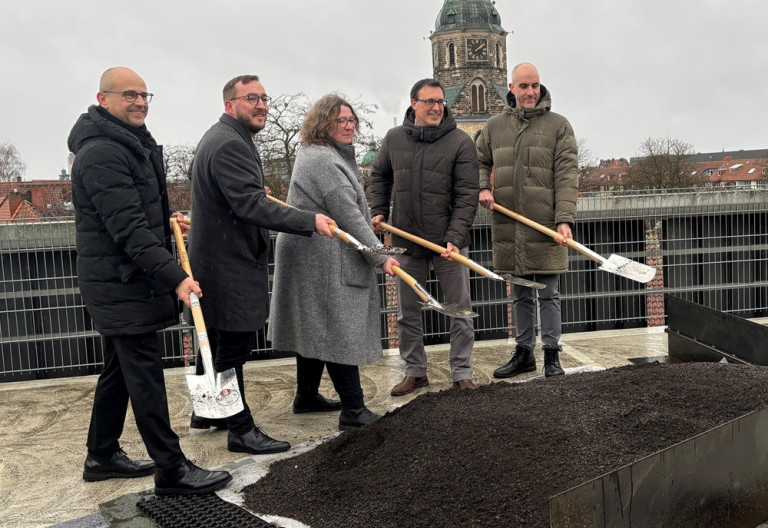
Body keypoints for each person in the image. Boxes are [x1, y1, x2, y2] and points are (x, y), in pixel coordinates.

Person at [68, 66, 231, 495]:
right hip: (120, 282)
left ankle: (101, 455)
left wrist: (166, 220)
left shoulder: (126, 143)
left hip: (126, 277)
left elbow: (135, 215)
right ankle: (172, 468)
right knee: (144, 375)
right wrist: (177, 276)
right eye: (129, 95)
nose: (139, 101)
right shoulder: (102, 152)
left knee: (119, 371)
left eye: (144, 94)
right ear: (103, 99)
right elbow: (127, 230)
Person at [187, 75, 336, 454]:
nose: (262, 105)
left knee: (218, 339)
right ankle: (240, 428)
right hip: (229, 264)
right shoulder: (230, 144)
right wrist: (309, 220)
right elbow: (249, 207)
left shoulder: (221, 138)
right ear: (229, 104)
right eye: (251, 98)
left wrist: (253, 191)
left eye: (264, 98)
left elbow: (235, 194)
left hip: (214, 259)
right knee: (233, 348)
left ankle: (207, 411)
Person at [269, 94, 399, 430]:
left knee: (312, 325)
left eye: (351, 120)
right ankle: (354, 410)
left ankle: (306, 396)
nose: (348, 126)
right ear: (322, 124)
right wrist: (379, 257)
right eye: (339, 120)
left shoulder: (323, 155)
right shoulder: (324, 161)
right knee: (335, 325)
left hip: (311, 253)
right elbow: (349, 214)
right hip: (319, 257)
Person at [370, 78, 479, 396]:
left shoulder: (460, 142)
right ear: (414, 103)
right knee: (407, 313)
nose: (436, 107)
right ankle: (415, 372)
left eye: (440, 102)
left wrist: (455, 237)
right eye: (429, 101)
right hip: (406, 241)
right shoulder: (393, 139)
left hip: (448, 245)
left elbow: (467, 195)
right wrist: (379, 210)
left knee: (458, 309)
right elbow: (379, 175)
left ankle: (461, 372)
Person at [475, 62, 578, 379]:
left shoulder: (559, 126)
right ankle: (523, 354)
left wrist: (564, 219)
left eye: (535, 85)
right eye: (524, 86)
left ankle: (551, 356)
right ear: (512, 88)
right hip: (509, 225)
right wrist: (482, 187)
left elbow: (566, 176)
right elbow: (479, 160)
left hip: (545, 225)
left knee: (548, 294)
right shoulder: (494, 126)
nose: (530, 92)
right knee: (519, 293)